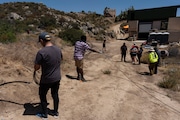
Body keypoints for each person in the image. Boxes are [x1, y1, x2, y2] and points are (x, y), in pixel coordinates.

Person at [34, 32, 63, 119]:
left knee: (42, 95)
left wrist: (36, 67)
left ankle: (44, 114)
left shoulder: (41, 52)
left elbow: (37, 67)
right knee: (55, 94)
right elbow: (61, 59)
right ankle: (55, 112)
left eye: (40, 42)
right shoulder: (58, 49)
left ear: (42, 40)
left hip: (46, 79)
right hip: (57, 77)